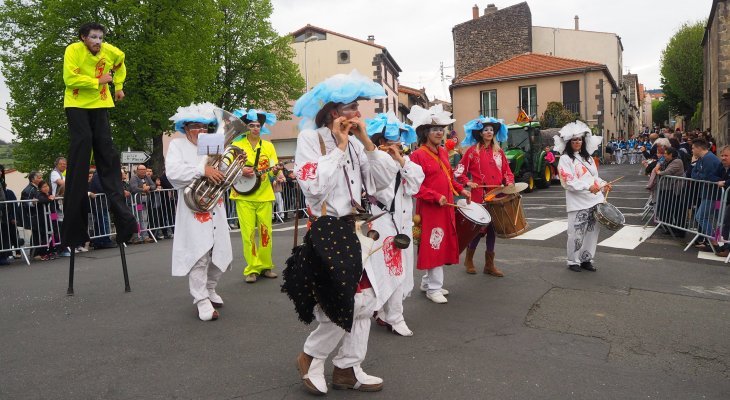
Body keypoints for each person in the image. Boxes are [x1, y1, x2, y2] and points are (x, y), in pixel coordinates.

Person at [283, 70, 398, 394]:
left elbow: (381, 182)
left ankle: (348, 367)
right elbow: (312, 188)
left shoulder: (358, 145)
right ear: (335, 112)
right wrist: (338, 148)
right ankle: (311, 357)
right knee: (342, 300)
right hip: (327, 229)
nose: (359, 114)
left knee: (369, 299)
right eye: (352, 109)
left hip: (359, 229)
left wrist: (365, 143)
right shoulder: (312, 139)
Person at [60, 22, 137, 249]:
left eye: (100, 38)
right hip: (77, 104)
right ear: (84, 38)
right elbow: (69, 79)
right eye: (93, 37)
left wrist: (119, 86)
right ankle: (75, 226)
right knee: (82, 145)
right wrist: (97, 81)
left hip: (100, 103)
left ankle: (123, 218)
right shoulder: (73, 50)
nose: (97, 42)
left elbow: (120, 65)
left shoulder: (111, 51)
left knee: (106, 151)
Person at [166, 102, 235, 321]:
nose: (201, 131)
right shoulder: (177, 145)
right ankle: (200, 299)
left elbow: (222, 170)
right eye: (196, 126)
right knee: (199, 254)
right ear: (185, 127)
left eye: (206, 127)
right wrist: (202, 170)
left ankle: (210, 288)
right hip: (192, 208)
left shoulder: (213, 143)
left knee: (219, 252)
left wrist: (232, 169)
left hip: (215, 205)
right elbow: (173, 172)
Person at [365, 112, 424, 337]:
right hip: (382, 224)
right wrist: (386, 159)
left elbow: (415, 185)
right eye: (391, 140)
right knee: (387, 269)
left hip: (403, 223)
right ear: (380, 141)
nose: (396, 143)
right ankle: (391, 315)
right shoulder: (373, 162)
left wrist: (400, 160)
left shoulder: (406, 161)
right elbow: (378, 187)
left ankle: (388, 312)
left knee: (402, 269)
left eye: (399, 139)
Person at [408, 104, 471, 303]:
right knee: (434, 244)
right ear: (425, 133)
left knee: (441, 243)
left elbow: (450, 177)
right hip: (430, 208)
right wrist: (435, 196)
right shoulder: (417, 156)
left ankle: (428, 282)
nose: (439, 132)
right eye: (434, 129)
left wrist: (461, 190)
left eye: (440, 129)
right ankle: (433, 288)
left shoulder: (443, 152)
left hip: (446, 207)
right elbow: (415, 187)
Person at [229, 108, 283, 283]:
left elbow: (275, 169)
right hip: (243, 196)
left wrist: (277, 173)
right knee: (248, 234)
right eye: (251, 125)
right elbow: (226, 168)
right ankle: (252, 268)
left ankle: (266, 266)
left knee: (266, 233)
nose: (255, 128)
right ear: (246, 127)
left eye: (258, 125)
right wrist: (241, 170)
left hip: (265, 195)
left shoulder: (268, 146)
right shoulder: (237, 146)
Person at [456, 116, 513, 277]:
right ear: (480, 133)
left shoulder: (499, 152)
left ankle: (489, 265)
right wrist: (468, 182)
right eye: (486, 130)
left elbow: (507, 172)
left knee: (493, 230)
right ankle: (469, 260)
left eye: (491, 130)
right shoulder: (472, 152)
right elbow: (459, 171)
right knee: (478, 230)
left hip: (496, 196)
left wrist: (508, 182)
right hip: (478, 196)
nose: (489, 132)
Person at [554, 121, 610, 272]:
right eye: (574, 140)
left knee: (592, 232)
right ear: (569, 142)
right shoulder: (565, 159)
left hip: (595, 200)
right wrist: (588, 187)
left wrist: (603, 184)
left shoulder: (589, 159)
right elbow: (568, 181)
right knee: (575, 233)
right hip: (578, 202)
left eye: (579, 139)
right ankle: (573, 261)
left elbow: (594, 178)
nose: (577, 142)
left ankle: (587, 259)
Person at [690, 138, 722, 251]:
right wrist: (699, 174)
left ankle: (714, 241)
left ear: (699, 148)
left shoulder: (708, 159)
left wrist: (699, 174)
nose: (692, 150)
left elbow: (706, 176)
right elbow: (694, 173)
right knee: (716, 218)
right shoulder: (703, 158)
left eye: (693, 148)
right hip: (710, 194)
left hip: (712, 195)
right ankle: (714, 240)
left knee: (701, 217)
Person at [129, 164, 156, 243]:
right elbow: (134, 188)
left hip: (145, 202)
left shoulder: (147, 177)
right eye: (141, 170)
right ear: (137, 171)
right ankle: (137, 236)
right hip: (137, 202)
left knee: (144, 218)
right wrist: (143, 189)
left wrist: (149, 187)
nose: (143, 171)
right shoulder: (134, 178)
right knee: (138, 218)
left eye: (144, 169)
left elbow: (153, 185)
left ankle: (144, 236)